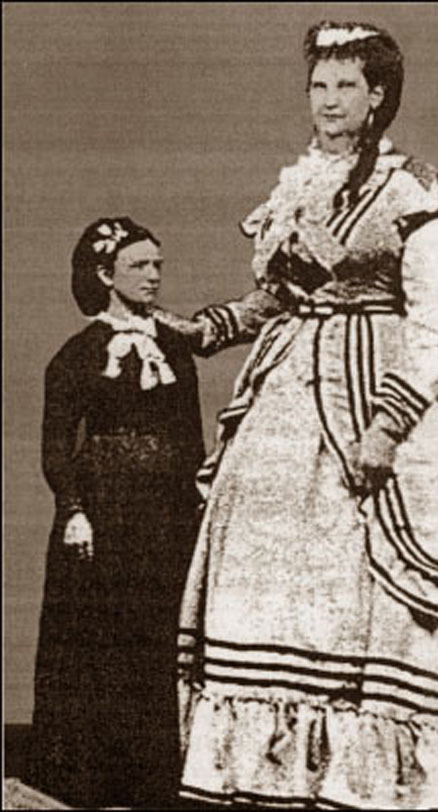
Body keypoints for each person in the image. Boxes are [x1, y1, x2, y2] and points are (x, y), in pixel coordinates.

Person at [165, 21, 438, 809]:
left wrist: (388, 427)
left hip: (384, 390)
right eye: (318, 85)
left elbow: (435, 325)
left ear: (377, 97)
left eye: (346, 86)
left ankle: (381, 778)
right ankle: (281, 776)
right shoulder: (298, 185)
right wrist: (210, 329)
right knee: (273, 575)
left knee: (389, 582)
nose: (328, 100)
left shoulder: (411, 189)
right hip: (291, 394)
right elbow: (280, 297)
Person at [28, 216, 280, 809]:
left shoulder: (174, 347)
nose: (152, 276)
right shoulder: (77, 355)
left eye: (157, 265)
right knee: (101, 639)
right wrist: (73, 511)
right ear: (104, 274)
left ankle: (155, 781)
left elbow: (190, 437)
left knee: (160, 637)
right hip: (103, 518)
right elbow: (56, 447)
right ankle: (91, 781)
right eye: (138, 265)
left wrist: (198, 500)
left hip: (165, 518)